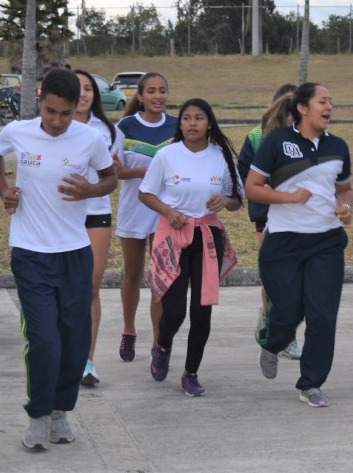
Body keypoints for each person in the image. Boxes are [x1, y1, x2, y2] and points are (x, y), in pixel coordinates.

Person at [0, 68, 117, 448]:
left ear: (77, 106)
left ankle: (61, 411)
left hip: (75, 253)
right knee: (44, 339)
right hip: (30, 253)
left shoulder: (90, 139)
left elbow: (110, 178)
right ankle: (39, 416)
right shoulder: (18, 132)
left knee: (74, 340)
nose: (57, 121)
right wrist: (3, 190)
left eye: (65, 113)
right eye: (50, 111)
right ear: (40, 101)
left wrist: (91, 188)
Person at [247, 82, 353, 408]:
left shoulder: (338, 146)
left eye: (331, 101)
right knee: (289, 312)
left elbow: (345, 188)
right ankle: (272, 342)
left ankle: (312, 383)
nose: (329, 107)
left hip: (326, 242)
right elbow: (252, 188)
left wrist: (346, 207)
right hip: (283, 243)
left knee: (323, 315)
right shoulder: (277, 142)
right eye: (323, 101)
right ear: (303, 107)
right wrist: (288, 197)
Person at [140, 98, 242, 397]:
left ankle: (191, 373)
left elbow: (236, 200)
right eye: (186, 118)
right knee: (173, 312)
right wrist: (168, 212)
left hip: (206, 238)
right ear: (180, 123)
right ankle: (163, 345)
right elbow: (146, 193)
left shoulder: (220, 156)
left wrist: (226, 201)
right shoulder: (167, 155)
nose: (192, 123)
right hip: (173, 237)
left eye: (199, 118)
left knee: (202, 311)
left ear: (209, 123)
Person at [113, 72, 178, 362]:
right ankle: (129, 329)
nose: (158, 96)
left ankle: (158, 342)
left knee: (160, 278)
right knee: (133, 273)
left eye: (162, 90)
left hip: (165, 211)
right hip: (133, 208)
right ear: (140, 96)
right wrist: (141, 172)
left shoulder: (177, 126)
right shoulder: (125, 126)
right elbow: (113, 171)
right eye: (151, 91)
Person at [237, 83, 304, 360]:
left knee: (298, 280)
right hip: (267, 218)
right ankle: (275, 326)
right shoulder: (256, 136)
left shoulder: (308, 135)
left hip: (302, 219)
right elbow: (245, 178)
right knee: (277, 275)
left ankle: (281, 328)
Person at [72, 68, 124, 387]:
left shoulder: (107, 129)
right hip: (61, 215)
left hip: (96, 213)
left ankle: (87, 361)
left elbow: (113, 175)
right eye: (77, 88)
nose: (84, 93)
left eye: (89, 88)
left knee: (90, 287)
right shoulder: (54, 127)